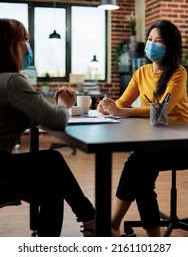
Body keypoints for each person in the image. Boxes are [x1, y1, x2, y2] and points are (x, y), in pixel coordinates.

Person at [0, 18, 96, 237]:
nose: (27, 46)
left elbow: (14, 118)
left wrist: (47, 109)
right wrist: (63, 103)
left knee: (52, 190)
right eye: (24, 40)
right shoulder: (12, 81)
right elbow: (57, 121)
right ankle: (91, 218)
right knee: (53, 162)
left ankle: (88, 218)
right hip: (1, 168)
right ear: (10, 45)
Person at [97, 19, 188, 237]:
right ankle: (151, 240)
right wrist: (108, 106)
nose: (152, 45)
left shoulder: (178, 73)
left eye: (159, 41)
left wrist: (123, 112)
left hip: (181, 144)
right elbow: (123, 103)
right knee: (142, 172)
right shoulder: (141, 72)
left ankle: (112, 225)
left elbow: (162, 110)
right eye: (150, 39)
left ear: (171, 46)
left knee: (139, 163)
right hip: (155, 141)